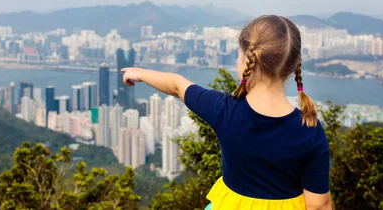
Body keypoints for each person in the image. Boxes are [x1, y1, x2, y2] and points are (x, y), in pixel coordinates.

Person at [122, 15, 332, 210]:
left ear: (246, 62)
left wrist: (140, 73)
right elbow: (318, 204)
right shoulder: (310, 130)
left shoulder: (224, 110)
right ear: (293, 66)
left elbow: (177, 85)